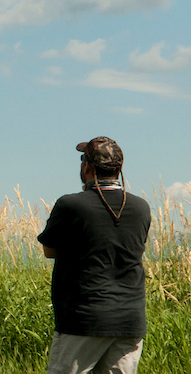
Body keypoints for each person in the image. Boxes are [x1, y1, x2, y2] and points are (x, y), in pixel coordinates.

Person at [37, 136, 150, 374]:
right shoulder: (141, 207)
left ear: (87, 166)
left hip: (84, 318)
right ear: (119, 169)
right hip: (130, 319)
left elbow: (49, 250)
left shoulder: (70, 205)